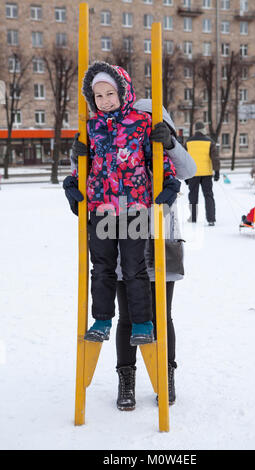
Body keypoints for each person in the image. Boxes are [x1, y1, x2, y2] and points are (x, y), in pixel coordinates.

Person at [63, 61, 178, 347]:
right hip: (101, 209)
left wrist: (169, 180)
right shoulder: (90, 127)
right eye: (98, 96)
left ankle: (142, 322)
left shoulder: (141, 122)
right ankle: (102, 320)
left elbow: (158, 157)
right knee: (101, 267)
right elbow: (84, 167)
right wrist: (73, 183)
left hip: (135, 208)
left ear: (123, 91)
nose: (104, 101)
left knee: (134, 267)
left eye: (109, 94)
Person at [115, 99, 196, 411]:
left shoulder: (169, 157)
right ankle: (127, 378)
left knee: (162, 316)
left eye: (151, 125)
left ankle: (166, 375)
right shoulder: (122, 155)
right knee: (128, 317)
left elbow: (190, 169)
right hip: (125, 241)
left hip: (163, 245)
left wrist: (169, 142)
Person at [185, 121, 220, 226]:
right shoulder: (210, 142)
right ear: (203, 129)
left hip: (192, 173)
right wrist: (217, 171)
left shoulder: (188, 142)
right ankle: (211, 219)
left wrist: (186, 175)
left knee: (193, 196)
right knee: (208, 196)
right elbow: (215, 158)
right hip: (207, 174)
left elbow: (184, 159)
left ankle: (193, 217)